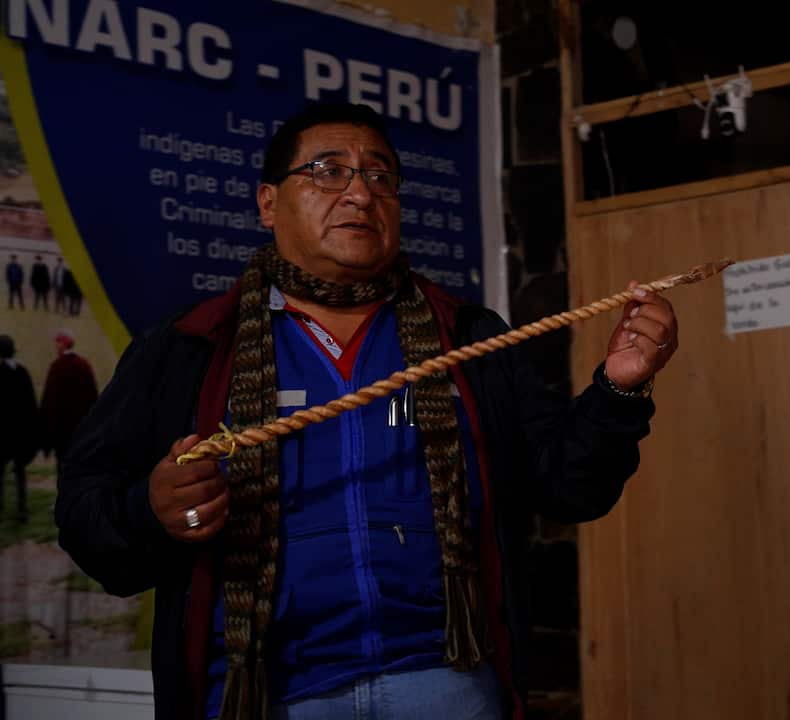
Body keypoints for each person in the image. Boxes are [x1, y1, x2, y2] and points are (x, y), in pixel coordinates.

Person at [54, 101, 680, 720]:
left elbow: (567, 489)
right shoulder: (189, 347)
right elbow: (85, 511)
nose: (360, 193)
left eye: (380, 176)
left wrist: (619, 390)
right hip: (262, 695)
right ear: (268, 203)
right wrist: (152, 511)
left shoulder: (464, 336)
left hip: (446, 685)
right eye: (328, 171)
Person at [40, 329, 99, 478]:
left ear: (64, 344)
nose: (56, 346)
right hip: (81, 428)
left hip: (61, 429)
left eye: (58, 343)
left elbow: (50, 402)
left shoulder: (57, 367)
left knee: (62, 467)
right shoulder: (84, 365)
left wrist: (47, 435)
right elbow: (94, 398)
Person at [0, 335, 40, 523]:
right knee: (20, 473)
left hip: (2, 433)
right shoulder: (23, 372)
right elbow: (31, 405)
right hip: (20, 434)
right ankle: (21, 509)